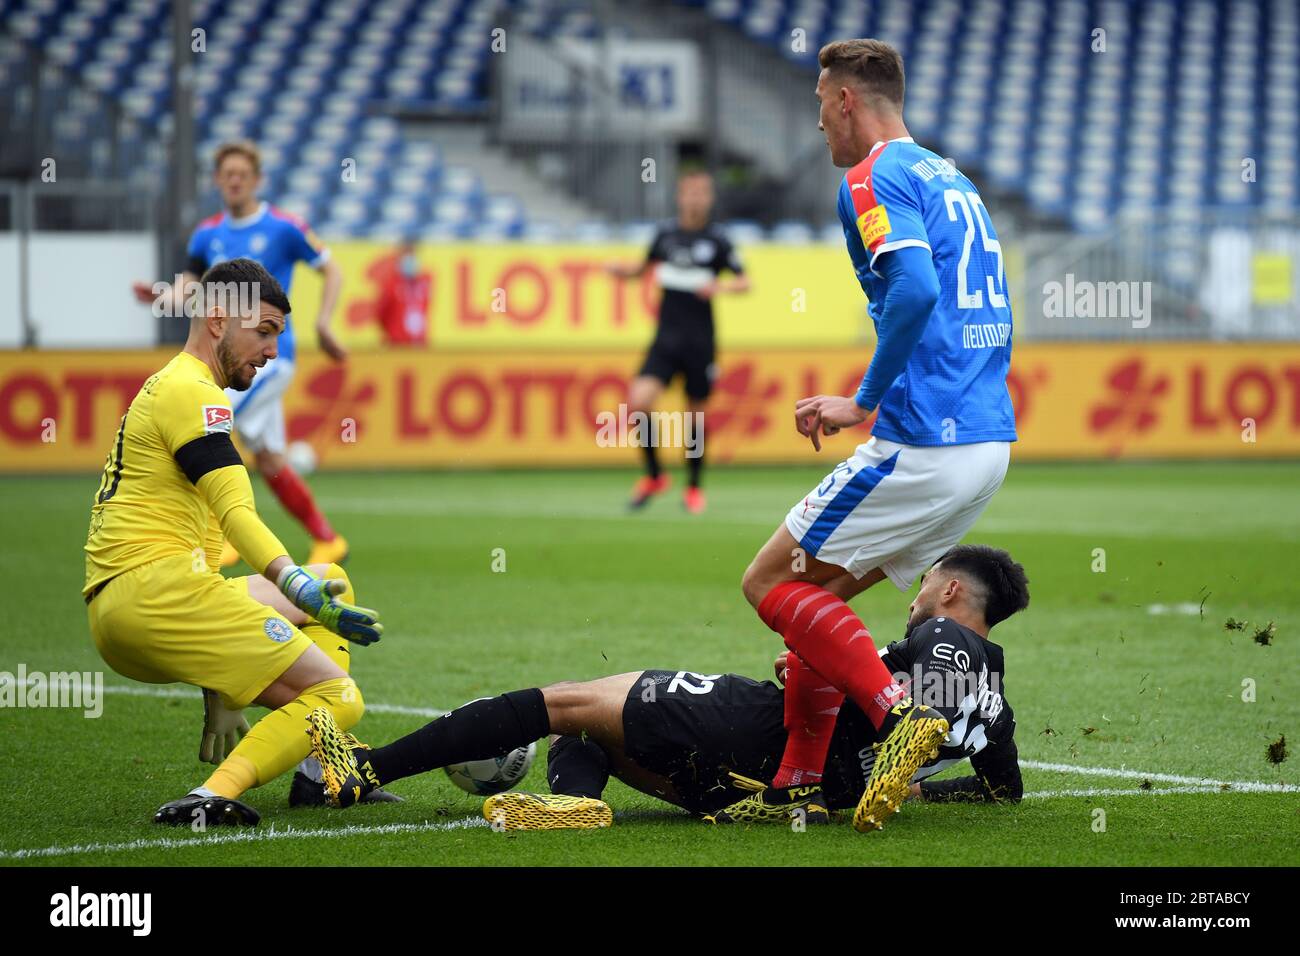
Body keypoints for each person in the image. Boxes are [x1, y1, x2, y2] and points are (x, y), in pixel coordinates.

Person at [722, 38, 1019, 830]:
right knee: (814, 612)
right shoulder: (951, 176)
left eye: (821, 106)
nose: (819, 125)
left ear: (847, 99)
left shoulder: (872, 174)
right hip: (986, 441)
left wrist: (862, 402)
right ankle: (797, 786)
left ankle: (899, 717)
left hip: (927, 442)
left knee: (768, 585)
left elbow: (917, 292)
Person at [304, 545, 1027, 831]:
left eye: (924, 582)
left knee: (565, 700)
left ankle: (363, 768)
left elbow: (929, 686)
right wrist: (916, 785)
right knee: (583, 733)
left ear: (951, 587)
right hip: (758, 794)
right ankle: (575, 803)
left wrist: (904, 719)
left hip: (752, 732)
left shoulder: (946, 638)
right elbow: (1003, 792)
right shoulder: (999, 712)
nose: (915, 595)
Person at [89, 258, 383, 826]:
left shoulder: (174, 387)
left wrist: (221, 688)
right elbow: (238, 513)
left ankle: (319, 773)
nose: (273, 351)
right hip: (156, 599)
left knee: (331, 583)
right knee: (339, 696)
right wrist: (290, 579)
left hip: (137, 599)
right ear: (219, 320)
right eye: (266, 331)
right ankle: (208, 796)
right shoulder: (195, 394)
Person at [131, 140, 349, 568]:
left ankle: (221, 534)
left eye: (242, 175)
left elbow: (332, 268)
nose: (234, 181)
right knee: (268, 457)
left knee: (212, 420)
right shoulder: (207, 233)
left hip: (270, 357)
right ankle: (327, 539)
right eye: (227, 174)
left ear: (256, 180)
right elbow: (190, 289)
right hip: (225, 360)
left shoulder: (284, 227)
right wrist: (161, 296)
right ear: (217, 180)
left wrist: (324, 323)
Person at [606, 170, 750, 514]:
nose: (696, 199)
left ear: (710, 199)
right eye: (691, 193)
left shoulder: (718, 240)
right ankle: (655, 475)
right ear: (680, 197)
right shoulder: (665, 234)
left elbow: (744, 282)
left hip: (700, 340)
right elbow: (644, 269)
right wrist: (621, 271)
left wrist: (720, 287)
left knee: (695, 418)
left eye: (703, 193)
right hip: (665, 338)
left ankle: (694, 487)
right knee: (638, 402)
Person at [375, 239, 431, 346]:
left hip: (420, 343)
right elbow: (381, 314)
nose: (410, 258)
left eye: (412, 253)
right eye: (406, 253)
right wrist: (393, 332)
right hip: (397, 343)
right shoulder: (391, 283)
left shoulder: (424, 283)